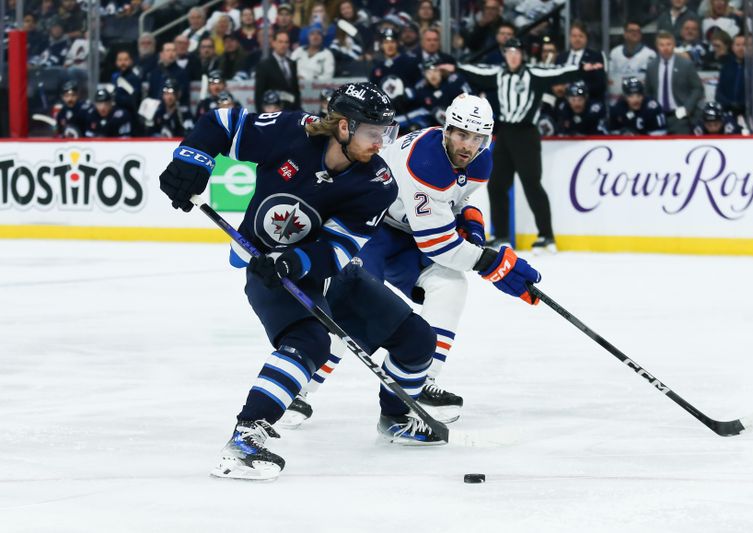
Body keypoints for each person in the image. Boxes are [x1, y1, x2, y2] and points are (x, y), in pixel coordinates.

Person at [158, 82, 461, 480]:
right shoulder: (288, 132)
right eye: (373, 132)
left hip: (328, 273)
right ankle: (245, 437)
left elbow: (339, 247)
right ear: (343, 127)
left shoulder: (378, 182)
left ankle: (395, 417)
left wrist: (294, 261)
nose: (382, 142)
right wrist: (191, 160)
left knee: (418, 340)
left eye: (386, 131)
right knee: (311, 343)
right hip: (267, 270)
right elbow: (222, 121)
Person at [281, 94, 544, 427]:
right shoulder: (426, 162)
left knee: (449, 284)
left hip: (406, 234)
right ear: (447, 129)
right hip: (368, 227)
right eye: (462, 134)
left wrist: (472, 226)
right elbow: (438, 245)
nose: (468, 145)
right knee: (349, 307)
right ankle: (299, 389)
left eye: (478, 138)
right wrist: (493, 263)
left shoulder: (481, 161)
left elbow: (456, 204)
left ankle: (420, 382)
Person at [444, 38, 581, 253]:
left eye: (517, 52)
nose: (513, 56)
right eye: (509, 52)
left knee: (531, 184)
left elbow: (561, 72)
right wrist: (455, 66)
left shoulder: (534, 74)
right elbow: (476, 72)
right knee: (497, 185)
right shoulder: (499, 74)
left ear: (523, 55)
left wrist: (586, 68)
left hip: (526, 133)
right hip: (506, 132)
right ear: (504, 54)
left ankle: (547, 236)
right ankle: (501, 235)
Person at [645, 31, 705, 134]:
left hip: (680, 116)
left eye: (668, 44)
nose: (665, 48)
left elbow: (697, 88)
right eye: (662, 45)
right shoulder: (651, 66)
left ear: (674, 45)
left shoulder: (686, 64)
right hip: (658, 116)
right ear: (657, 47)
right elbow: (648, 91)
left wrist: (687, 108)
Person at [556, 20, 607, 102]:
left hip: (587, 101)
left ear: (586, 38)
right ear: (569, 37)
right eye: (574, 36)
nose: (577, 39)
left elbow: (600, 84)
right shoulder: (561, 57)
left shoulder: (595, 57)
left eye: (581, 36)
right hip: (564, 101)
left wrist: (579, 89)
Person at [254, 29, 301, 110]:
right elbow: (259, 94)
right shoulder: (264, 65)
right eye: (280, 42)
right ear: (273, 43)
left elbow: (295, 91)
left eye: (286, 42)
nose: (283, 45)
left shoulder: (292, 63)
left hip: (291, 112)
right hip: (273, 112)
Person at [607, 20, 657, 97]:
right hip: (618, 97)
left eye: (638, 31)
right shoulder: (615, 52)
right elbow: (611, 78)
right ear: (625, 34)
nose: (635, 33)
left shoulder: (650, 54)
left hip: (641, 97)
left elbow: (650, 81)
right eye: (631, 31)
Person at [716, 34, 746, 119]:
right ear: (732, 47)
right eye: (738, 45)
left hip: (749, 112)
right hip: (728, 112)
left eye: (744, 45)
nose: (741, 48)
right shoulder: (726, 66)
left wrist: (742, 104)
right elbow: (719, 92)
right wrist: (729, 104)